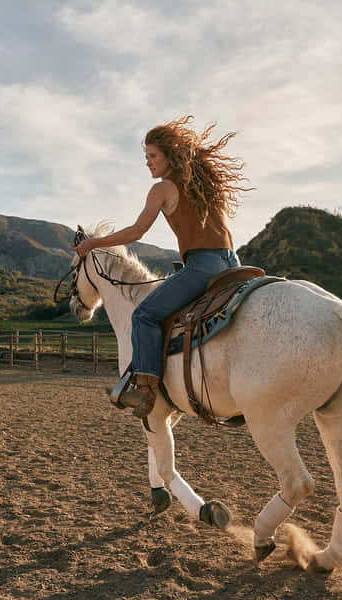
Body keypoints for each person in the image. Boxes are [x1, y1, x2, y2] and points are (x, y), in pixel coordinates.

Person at [73, 116, 248, 418]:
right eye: (146, 157)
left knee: (144, 315)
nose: (148, 163)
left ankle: (145, 391)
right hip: (233, 263)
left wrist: (93, 243)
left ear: (170, 155)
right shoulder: (204, 186)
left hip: (203, 266)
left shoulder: (162, 188)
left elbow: (136, 231)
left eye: (153, 156)